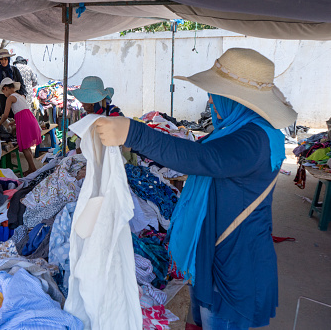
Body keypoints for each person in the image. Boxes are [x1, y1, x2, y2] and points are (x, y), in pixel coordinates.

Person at [93, 48, 298, 330]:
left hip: (234, 261)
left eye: (215, 94)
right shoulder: (244, 129)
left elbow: (202, 159)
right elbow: (205, 153)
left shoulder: (254, 140)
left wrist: (134, 132)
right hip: (222, 251)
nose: (211, 100)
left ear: (233, 99)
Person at [0, 77, 41, 175]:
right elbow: (22, 112)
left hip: (24, 122)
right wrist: (14, 122)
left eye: (3, 92)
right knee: (27, 146)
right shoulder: (20, 96)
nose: (4, 94)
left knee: (25, 147)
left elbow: (5, 115)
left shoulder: (10, 98)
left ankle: (33, 168)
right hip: (30, 119)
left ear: (6, 88)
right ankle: (31, 167)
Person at [0, 49, 26, 119]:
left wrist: (22, 96)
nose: (3, 61)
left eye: (5, 59)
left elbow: (21, 84)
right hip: (3, 100)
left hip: (14, 99)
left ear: (8, 59)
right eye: (1, 59)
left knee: (17, 119)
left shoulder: (14, 70)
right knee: (5, 119)